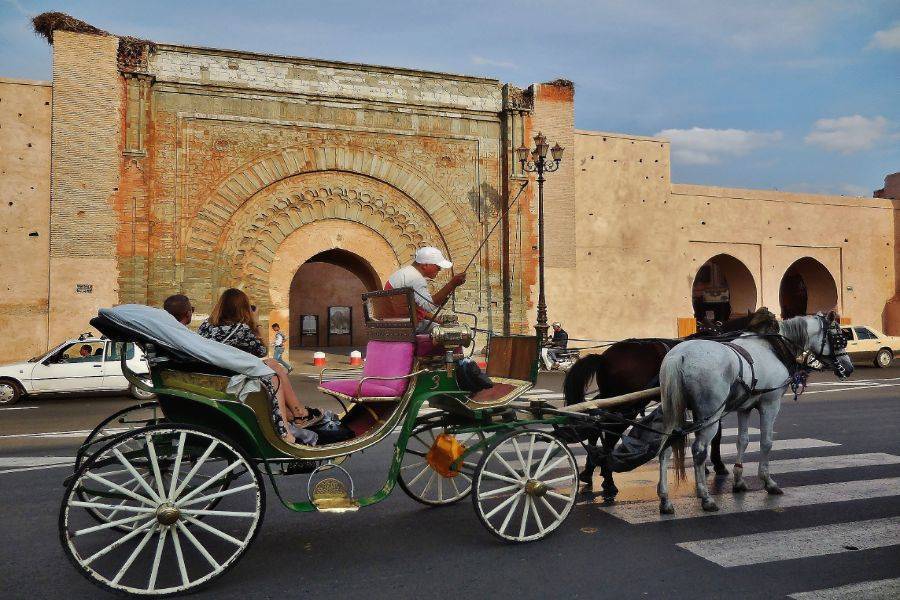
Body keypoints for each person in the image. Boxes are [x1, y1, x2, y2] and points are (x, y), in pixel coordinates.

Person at [198, 288, 310, 444]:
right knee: (273, 376)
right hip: (232, 377)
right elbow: (262, 350)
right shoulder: (241, 329)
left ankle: (297, 412)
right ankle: (286, 428)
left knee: (272, 364)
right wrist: (256, 322)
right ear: (243, 308)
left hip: (217, 371)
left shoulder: (205, 326)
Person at [385, 247, 466, 331]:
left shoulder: (406, 273)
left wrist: (437, 319)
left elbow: (418, 308)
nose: (440, 269)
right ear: (425, 265)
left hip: (399, 322)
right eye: (438, 267)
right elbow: (429, 306)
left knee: (438, 327)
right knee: (448, 332)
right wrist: (452, 284)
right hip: (407, 327)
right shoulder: (415, 278)